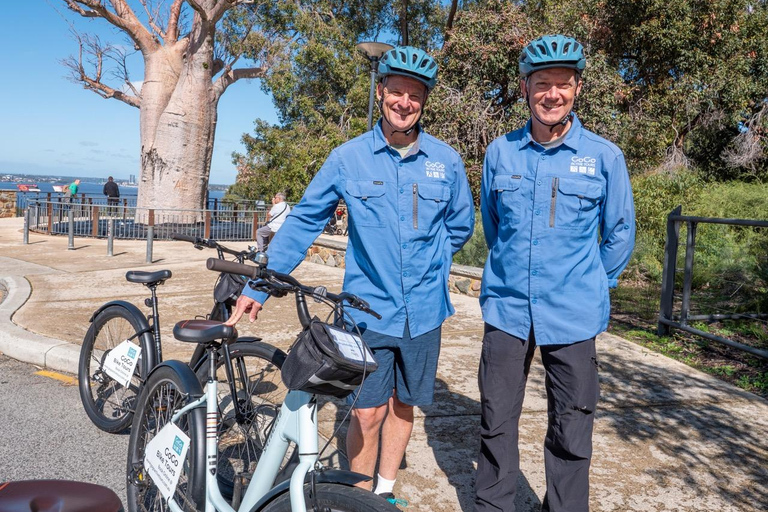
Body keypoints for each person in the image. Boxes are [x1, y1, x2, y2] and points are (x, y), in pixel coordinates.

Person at [226, 46, 475, 504]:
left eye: (414, 94)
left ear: (424, 101)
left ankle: (385, 493)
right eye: (396, 91)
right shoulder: (348, 158)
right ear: (381, 93)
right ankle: (359, 498)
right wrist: (258, 285)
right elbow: (303, 222)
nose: (404, 102)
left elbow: (461, 224)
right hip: (365, 312)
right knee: (364, 413)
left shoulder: (447, 161)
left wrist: (432, 261)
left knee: (404, 406)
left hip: (424, 312)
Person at [474, 35, 636, 512]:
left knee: (572, 423)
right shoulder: (499, 154)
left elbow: (620, 231)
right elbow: (493, 223)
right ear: (525, 88)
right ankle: (495, 505)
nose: (552, 94)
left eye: (562, 84)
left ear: (577, 89)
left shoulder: (604, 157)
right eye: (542, 83)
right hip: (507, 310)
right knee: (496, 420)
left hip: (574, 313)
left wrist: (591, 282)